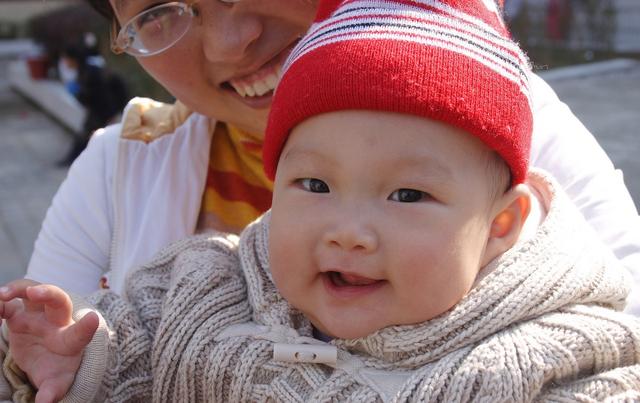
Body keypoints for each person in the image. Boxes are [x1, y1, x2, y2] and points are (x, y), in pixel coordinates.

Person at [2, 1, 640, 401]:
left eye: (409, 195)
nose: (349, 232)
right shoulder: (208, 285)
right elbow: (132, 350)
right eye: (159, 12)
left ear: (503, 221)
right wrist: (81, 359)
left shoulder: (552, 338)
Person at [57, 39, 129, 166]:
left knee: (88, 138)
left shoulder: (91, 73)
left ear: (73, 59)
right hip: (99, 111)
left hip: (104, 111)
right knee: (84, 138)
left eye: (66, 58)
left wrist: (111, 115)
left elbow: (102, 96)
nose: (64, 62)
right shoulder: (84, 71)